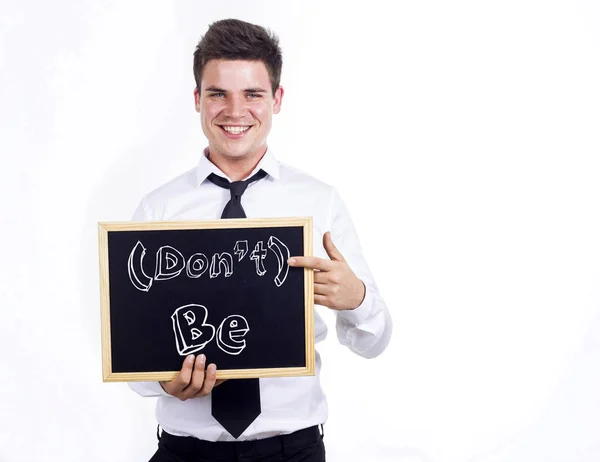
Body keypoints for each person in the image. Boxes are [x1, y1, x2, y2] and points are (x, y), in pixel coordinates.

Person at [129, 18, 392, 462]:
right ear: (197, 100)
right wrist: (161, 382)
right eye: (218, 94)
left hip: (293, 451)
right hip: (185, 454)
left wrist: (357, 298)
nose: (235, 111)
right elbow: (131, 355)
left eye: (252, 94)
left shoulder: (319, 202)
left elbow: (375, 340)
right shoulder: (158, 210)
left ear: (277, 99)